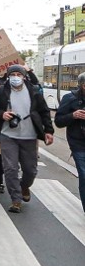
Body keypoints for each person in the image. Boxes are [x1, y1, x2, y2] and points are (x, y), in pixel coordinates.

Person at [0, 64, 54, 214]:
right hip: (8, 135)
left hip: (29, 137)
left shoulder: (34, 91)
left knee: (30, 170)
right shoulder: (1, 92)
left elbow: (44, 112)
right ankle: (16, 199)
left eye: (18, 74)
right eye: (13, 74)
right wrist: (1, 114)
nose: (15, 77)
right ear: (8, 76)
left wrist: (48, 130)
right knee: (10, 169)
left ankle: (24, 186)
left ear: (24, 76)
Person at [54, 72, 85, 213]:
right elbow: (59, 121)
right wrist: (73, 115)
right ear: (82, 85)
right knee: (84, 176)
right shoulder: (70, 98)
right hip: (78, 143)